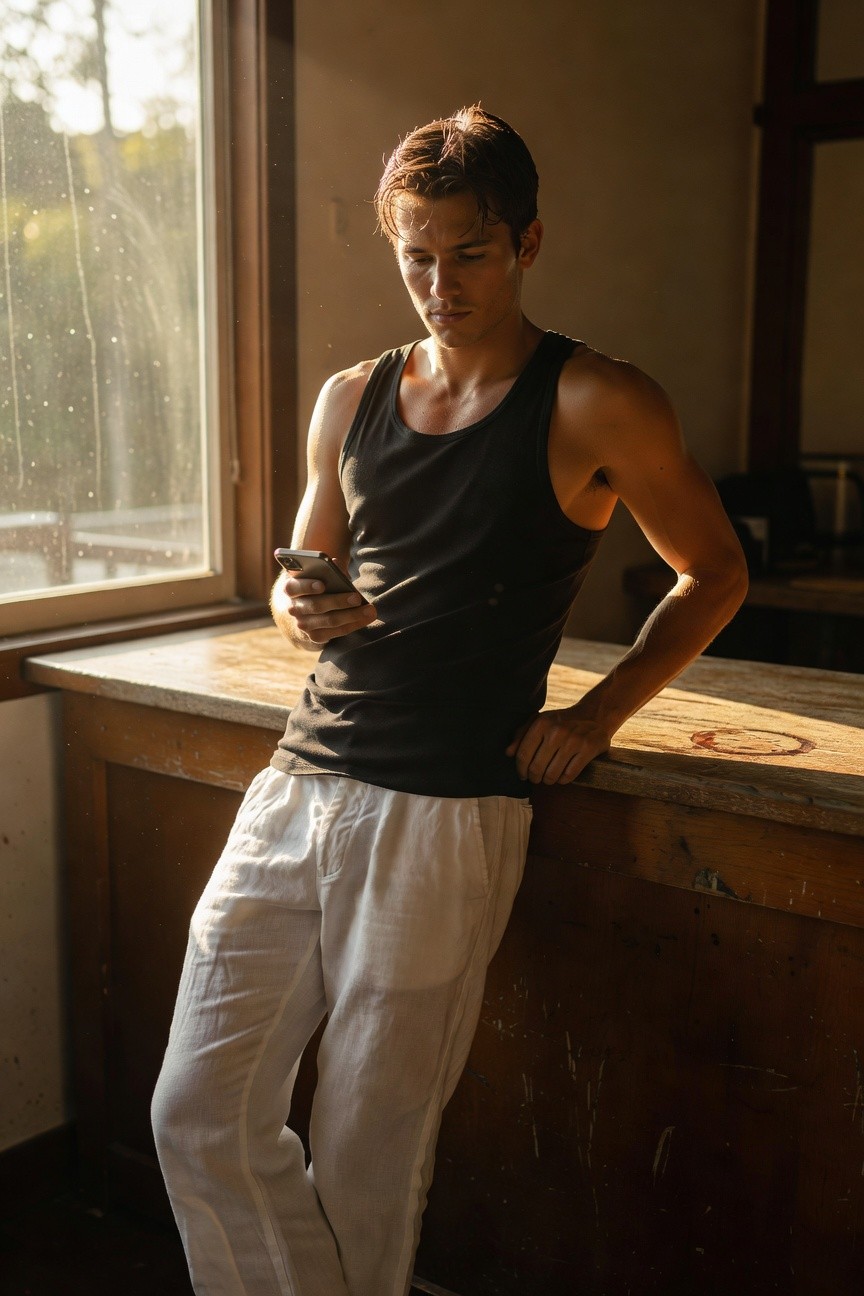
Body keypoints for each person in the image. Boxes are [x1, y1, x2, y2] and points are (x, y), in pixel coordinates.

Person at [151, 105, 748, 1296]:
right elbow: (302, 572)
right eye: (415, 253)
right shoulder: (351, 395)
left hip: (449, 811)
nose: (439, 281)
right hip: (299, 781)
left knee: (371, 1147)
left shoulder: (596, 399)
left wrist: (597, 714)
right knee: (195, 1113)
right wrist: (298, 608)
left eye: (468, 252)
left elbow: (716, 572)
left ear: (527, 243)